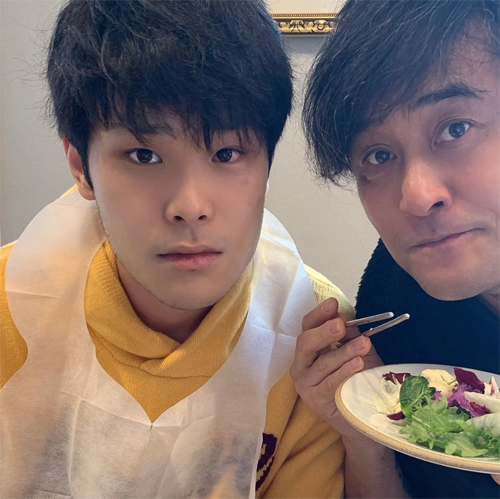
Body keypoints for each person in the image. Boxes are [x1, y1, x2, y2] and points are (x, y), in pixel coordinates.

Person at [0, 0, 354, 497]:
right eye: (144, 155)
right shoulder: (11, 308)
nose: (190, 206)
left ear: (268, 166)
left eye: (227, 152)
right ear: (81, 166)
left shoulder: (315, 336)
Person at [291, 0, 500, 498]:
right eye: (379, 155)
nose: (417, 196)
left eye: (455, 129)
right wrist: (362, 426)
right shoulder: (395, 296)